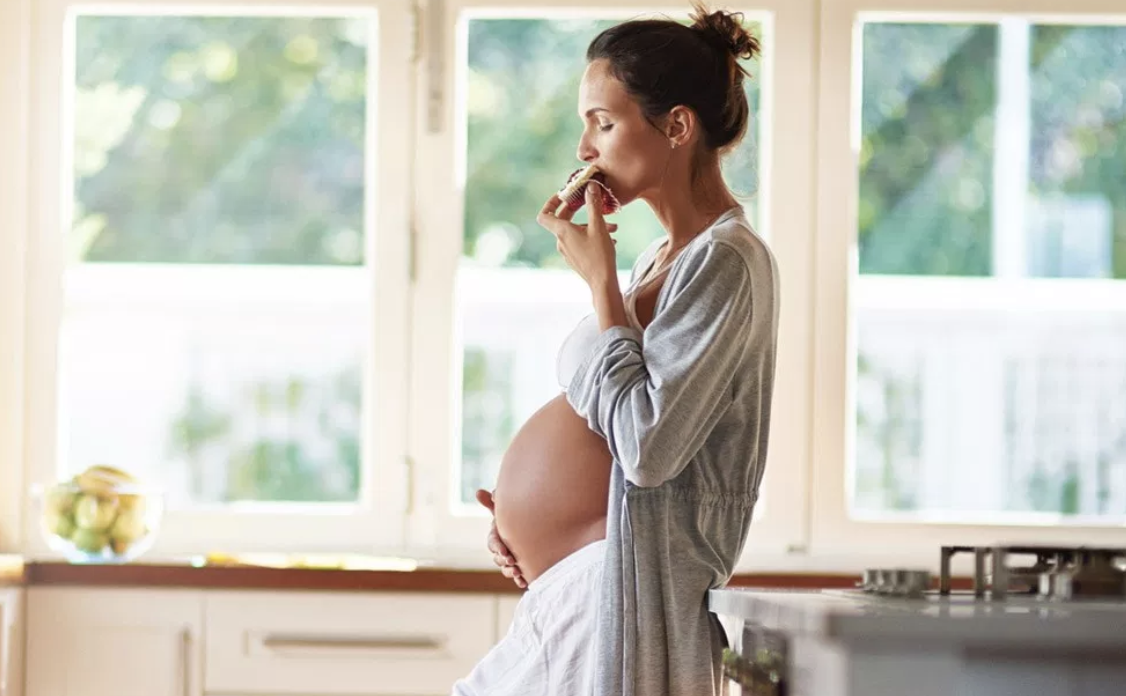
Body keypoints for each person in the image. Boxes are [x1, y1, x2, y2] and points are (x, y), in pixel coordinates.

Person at [452, 3, 777, 695]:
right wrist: (526, 521)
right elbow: (613, 423)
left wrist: (599, 283)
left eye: (603, 121)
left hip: (618, 594)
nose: (583, 149)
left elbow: (650, 449)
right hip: (579, 587)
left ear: (678, 126)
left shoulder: (727, 260)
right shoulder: (663, 258)